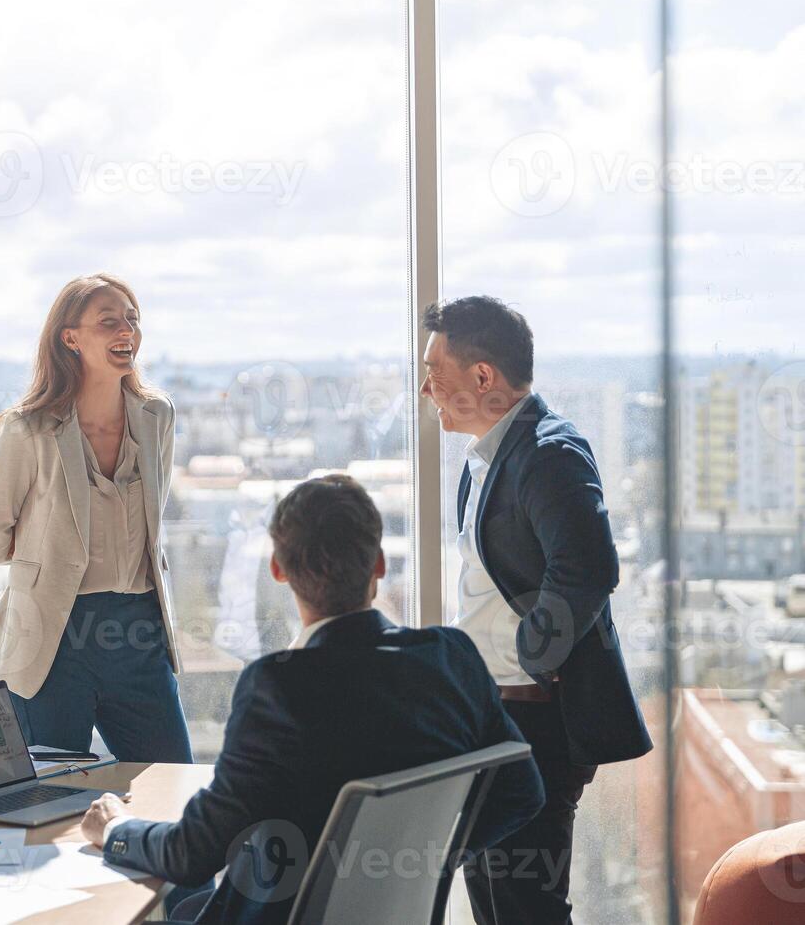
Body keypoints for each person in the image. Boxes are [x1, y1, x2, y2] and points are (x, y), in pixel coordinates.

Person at [80, 474, 545, 925]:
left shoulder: (277, 690)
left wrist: (117, 829)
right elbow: (523, 793)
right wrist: (424, 861)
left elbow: (191, 854)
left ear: (278, 569)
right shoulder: (451, 659)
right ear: (379, 564)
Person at [419, 296, 653, 925]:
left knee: (528, 906)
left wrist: (534, 661)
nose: (425, 388)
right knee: (492, 898)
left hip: (535, 719)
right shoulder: (483, 460)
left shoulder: (551, 453)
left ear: (483, 377)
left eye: (433, 371)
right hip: (489, 713)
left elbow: (588, 570)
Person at [0, 274, 192, 763]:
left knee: (172, 788)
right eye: (109, 321)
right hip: (53, 642)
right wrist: (50, 551)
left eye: (132, 320)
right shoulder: (28, 430)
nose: (126, 332)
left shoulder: (157, 417)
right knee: (51, 800)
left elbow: (150, 533)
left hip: (139, 635)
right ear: (70, 337)